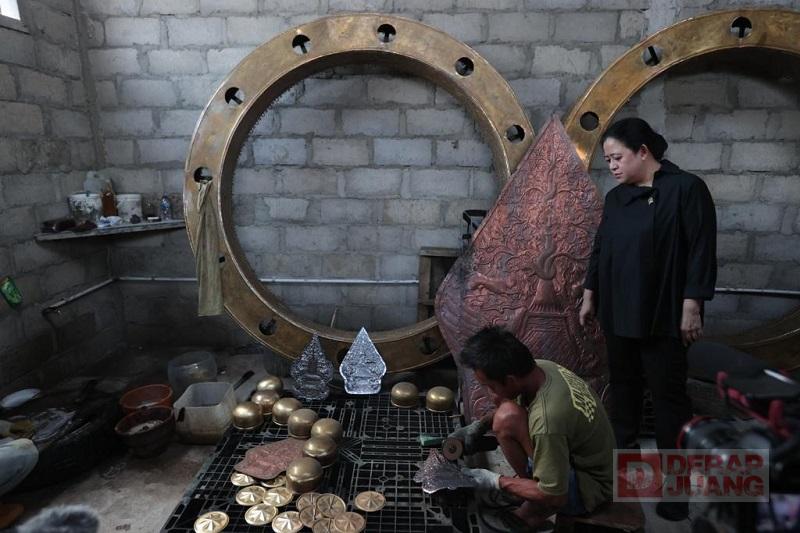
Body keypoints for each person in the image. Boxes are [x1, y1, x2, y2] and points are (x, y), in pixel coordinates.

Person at [578, 117, 717, 521]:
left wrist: (692, 305)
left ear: (643, 152)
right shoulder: (616, 198)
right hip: (618, 311)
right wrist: (589, 294)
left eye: (617, 157)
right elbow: (601, 248)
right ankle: (626, 476)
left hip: (663, 314)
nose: (612, 166)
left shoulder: (686, 189)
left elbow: (701, 249)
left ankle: (676, 490)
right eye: (607, 160)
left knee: (668, 401)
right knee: (623, 395)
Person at [453, 327, 615, 530]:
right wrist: (480, 426)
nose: (490, 394)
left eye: (491, 387)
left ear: (510, 380)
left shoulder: (547, 421)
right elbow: (512, 406)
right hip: (593, 462)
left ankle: (533, 511)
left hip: (589, 489)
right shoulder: (541, 369)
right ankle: (528, 489)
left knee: (505, 419)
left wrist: (495, 481)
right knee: (507, 415)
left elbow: (554, 495)